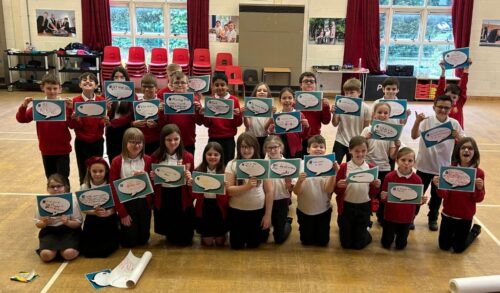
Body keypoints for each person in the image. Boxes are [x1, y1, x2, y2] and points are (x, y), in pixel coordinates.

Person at [411, 95, 465, 231]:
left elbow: (464, 142)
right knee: (417, 194)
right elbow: (413, 135)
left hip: (442, 168)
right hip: (424, 166)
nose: (442, 110)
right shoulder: (427, 121)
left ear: (451, 108)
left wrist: (457, 136)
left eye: (446, 107)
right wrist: (417, 121)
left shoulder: (454, 124)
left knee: (437, 198)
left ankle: (433, 218)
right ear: (434, 107)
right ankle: (411, 217)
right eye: (440, 107)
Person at [16, 73, 74, 181]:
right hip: (46, 150)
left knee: (63, 179)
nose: (52, 91)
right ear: (42, 88)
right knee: (50, 179)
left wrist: (70, 109)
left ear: (60, 89)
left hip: (63, 150)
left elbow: (72, 125)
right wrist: (24, 106)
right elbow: (22, 119)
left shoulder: (65, 106)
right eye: (48, 88)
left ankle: (65, 198)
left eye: (55, 88)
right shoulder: (39, 106)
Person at [432, 137, 484, 253]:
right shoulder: (450, 169)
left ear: (474, 152)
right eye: (463, 148)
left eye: (470, 148)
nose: (466, 150)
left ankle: (474, 231)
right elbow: (443, 195)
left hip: (465, 216)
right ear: (458, 151)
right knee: (444, 247)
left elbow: (479, 199)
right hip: (448, 214)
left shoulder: (479, 173)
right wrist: (438, 185)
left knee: (458, 249)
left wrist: (479, 189)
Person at [225, 132, 273, 249]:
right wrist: (247, 187)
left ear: (255, 147)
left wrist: (267, 215)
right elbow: (229, 190)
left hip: (256, 212)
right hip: (236, 211)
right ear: (238, 148)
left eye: (250, 147)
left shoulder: (263, 164)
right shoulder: (232, 164)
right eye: (243, 147)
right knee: (236, 246)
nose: (246, 150)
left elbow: (269, 191)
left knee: (254, 245)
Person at [334, 136, 381, 250]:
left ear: (367, 151)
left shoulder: (370, 168)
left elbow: (373, 193)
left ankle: (365, 229)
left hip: (363, 207)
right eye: (357, 151)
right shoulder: (344, 168)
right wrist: (338, 186)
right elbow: (336, 190)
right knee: (346, 244)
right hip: (346, 207)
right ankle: (350, 229)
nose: (360, 154)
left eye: (363, 151)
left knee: (359, 245)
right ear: (350, 151)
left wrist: (377, 186)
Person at [151, 124, 195, 246]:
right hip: (165, 195)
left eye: (176, 139)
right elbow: (152, 182)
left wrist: (189, 179)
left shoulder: (188, 157)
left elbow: (192, 183)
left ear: (180, 139)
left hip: (181, 196)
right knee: (170, 236)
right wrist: (152, 177)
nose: (172, 142)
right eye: (169, 140)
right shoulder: (155, 156)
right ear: (163, 140)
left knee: (185, 240)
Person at [110, 127, 153, 247]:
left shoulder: (148, 160)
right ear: (125, 143)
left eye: (139, 142)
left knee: (144, 239)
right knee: (130, 242)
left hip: (144, 202)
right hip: (127, 203)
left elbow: (153, 186)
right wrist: (122, 213)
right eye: (132, 142)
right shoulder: (117, 161)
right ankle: (119, 226)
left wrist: (148, 177)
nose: (136, 145)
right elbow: (113, 188)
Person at [293, 135, 338, 246]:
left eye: (321, 147)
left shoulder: (329, 166)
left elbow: (328, 189)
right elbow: (296, 192)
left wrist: (334, 173)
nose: (318, 149)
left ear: (325, 150)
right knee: (306, 242)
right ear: (308, 149)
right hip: (304, 210)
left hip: (323, 211)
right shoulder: (300, 165)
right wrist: (299, 181)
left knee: (323, 242)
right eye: (315, 146)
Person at [361, 102, 400, 224]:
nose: (382, 115)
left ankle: (381, 217)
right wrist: (365, 139)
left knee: (382, 195)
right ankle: (365, 217)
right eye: (379, 112)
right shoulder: (367, 130)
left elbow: (392, 156)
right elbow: (359, 150)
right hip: (368, 166)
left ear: (389, 115)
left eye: (385, 113)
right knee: (366, 194)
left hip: (384, 168)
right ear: (374, 115)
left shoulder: (392, 133)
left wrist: (397, 147)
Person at [380, 147, 426, 249]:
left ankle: (400, 238)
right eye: (403, 160)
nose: (406, 163)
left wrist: (421, 201)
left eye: (410, 161)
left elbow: (417, 202)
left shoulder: (417, 180)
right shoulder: (389, 177)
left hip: (406, 217)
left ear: (414, 162)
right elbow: (383, 198)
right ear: (397, 161)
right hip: (390, 216)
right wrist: (383, 197)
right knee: (385, 244)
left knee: (400, 246)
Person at [35, 174, 82, 262]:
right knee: (46, 256)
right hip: (50, 231)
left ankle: (61, 251)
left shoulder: (72, 200)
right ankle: (56, 251)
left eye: (59, 186)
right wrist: (44, 223)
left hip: (69, 230)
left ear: (65, 187)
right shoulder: (43, 202)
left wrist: (67, 222)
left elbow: (78, 223)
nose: (56, 189)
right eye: (52, 187)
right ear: (47, 188)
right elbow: (38, 224)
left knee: (69, 254)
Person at [80, 157, 119, 258]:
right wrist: (94, 212)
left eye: (101, 171)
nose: (97, 174)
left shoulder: (111, 185)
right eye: (94, 171)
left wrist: (109, 212)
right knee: (88, 251)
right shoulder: (85, 186)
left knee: (106, 250)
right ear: (89, 171)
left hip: (109, 219)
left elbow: (118, 205)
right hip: (92, 219)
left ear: (106, 171)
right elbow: (83, 209)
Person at [72, 72, 107, 184]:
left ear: (96, 85)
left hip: (97, 142)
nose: (87, 81)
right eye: (84, 80)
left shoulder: (102, 101)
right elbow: (74, 126)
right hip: (81, 143)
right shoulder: (75, 101)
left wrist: (106, 119)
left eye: (91, 80)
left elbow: (101, 124)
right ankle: (84, 194)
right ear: (80, 85)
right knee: (83, 171)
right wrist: (76, 119)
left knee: (97, 171)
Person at [192, 142, 229, 246]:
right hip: (204, 208)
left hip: (219, 208)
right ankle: (205, 235)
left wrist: (224, 189)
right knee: (207, 243)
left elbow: (226, 201)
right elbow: (194, 197)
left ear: (221, 156)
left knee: (219, 242)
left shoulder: (225, 172)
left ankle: (223, 234)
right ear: (204, 155)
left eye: (216, 154)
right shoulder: (198, 171)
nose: (212, 157)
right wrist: (192, 185)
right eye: (209, 154)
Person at [158, 71, 203, 156]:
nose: (179, 85)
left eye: (183, 82)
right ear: (171, 86)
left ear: (188, 85)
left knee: (188, 165)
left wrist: (198, 111)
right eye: (176, 83)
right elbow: (162, 125)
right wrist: (160, 112)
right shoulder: (167, 101)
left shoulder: (194, 100)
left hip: (188, 140)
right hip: (171, 142)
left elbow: (200, 122)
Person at [203, 72, 243, 165]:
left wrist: (238, 114)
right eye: (216, 85)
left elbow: (238, 124)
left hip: (229, 139)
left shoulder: (234, 100)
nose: (220, 87)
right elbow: (206, 124)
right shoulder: (210, 101)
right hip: (213, 138)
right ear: (213, 87)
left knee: (228, 163)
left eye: (222, 84)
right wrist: (204, 114)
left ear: (227, 86)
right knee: (213, 164)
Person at [331, 78, 371, 164]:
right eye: (346, 93)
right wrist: (334, 113)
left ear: (359, 92)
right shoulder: (340, 106)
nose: (348, 95)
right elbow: (335, 124)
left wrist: (362, 141)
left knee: (351, 168)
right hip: (340, 140)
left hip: (356, 142)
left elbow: (366, 128)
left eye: (352, 92)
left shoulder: (366, 108)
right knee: (334, 164)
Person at [263, 135, 294, 244]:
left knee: (279, 239)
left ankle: (287, 222)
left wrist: (289, 184)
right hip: (265, 201)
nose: (272, 150)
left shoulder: (289, 165)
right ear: (266, 149)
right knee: (263, 238)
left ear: (281, 147)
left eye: (275, 147)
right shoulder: (263, 164)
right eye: (269, 148)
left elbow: (291, 188)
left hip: (281, 200)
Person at [267, 87, 310, 159]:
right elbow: (274, 137)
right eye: (284, 98)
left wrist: (307, 127)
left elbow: (304, 136)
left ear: (294, 100)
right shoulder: (276, 116)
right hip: (281, 150)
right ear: (280, 100)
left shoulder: (299, 115)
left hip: (296, 151)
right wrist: (271, 131)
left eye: (290, 98)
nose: (287, 100)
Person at [298, 72, 331, 155]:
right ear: (300, 85)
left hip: (314, 138)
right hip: (299, 138)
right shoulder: (295, 102)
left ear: (315, 85)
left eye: (311, 81)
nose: (309, 83)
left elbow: (326, 121)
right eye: (306, 81)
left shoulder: (321, 102)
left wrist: (326, 107)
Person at [105, 66, 133, 162]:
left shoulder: (132, 94)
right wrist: (107, 109)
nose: (119, 79)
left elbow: (131, 115)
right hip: (111, 130)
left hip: (126, 130)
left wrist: (114, 122)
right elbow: (103, 116)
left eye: (122, 77)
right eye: (116, 77)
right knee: (112, 157)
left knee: (126, 157)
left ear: (126, 79)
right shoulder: (106, 95)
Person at [437, 58, 471, 129]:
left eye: (454, 97)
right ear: (444, 95)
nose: (451, 99)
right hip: (443, 133)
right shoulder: (441, 103)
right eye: (448, 96)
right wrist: (443, 71)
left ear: (458, 97)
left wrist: (466, 68)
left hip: (457, 135)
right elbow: (440, 89)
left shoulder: (459, 103)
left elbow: (463, 86)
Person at [132, 73, 161, 155]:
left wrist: (157, 125)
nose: (147, 89)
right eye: (144, 86)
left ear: (156, 89)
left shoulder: (161, 104)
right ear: (141, 88)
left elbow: (167, 123)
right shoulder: (136, 104)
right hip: (140, 142)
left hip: (157, 141)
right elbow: (130, 121)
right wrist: (133, 123)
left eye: (150, 87)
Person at [243, 82, 273, 157]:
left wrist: (272, 116)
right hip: (251, 137)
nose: (262, 92)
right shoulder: (250, 106)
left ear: (268, 94)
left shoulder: (270, 108)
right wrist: (245, 115)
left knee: (262, 157)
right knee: (250, 157)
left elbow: (265, 128)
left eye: (264, 91)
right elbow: (247, 125)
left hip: (263, 138)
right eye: (259, 90)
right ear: (255, 93)